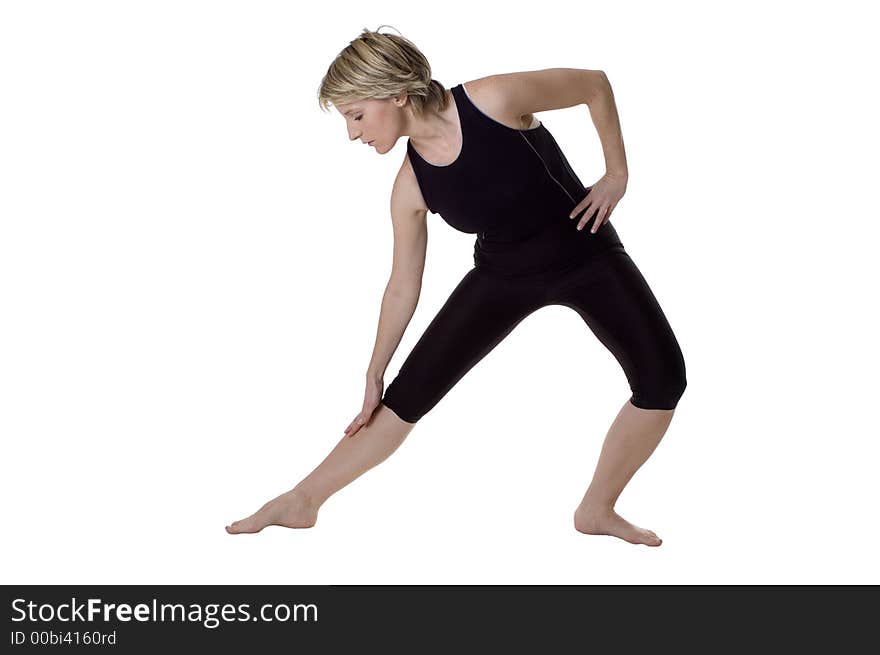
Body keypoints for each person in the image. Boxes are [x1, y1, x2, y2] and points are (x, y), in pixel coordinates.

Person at [226, 26, 686, 546]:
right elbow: (403, 284)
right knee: (402, 399)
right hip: (502, 276)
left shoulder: (492, 99)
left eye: (356, 114)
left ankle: (597, 509)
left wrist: (616, 173)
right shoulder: (411, 186)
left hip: (587, 252)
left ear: (396, 92)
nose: (353, 134)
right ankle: (300, 500)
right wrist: (376, 372)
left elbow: (594, 85)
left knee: (663, 380)